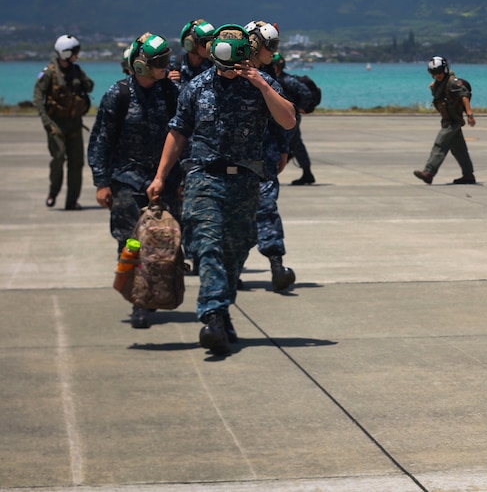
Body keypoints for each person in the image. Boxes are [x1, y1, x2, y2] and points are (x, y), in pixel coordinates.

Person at [148, 24, 296, 355]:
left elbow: (288, 120)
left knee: (236, 249)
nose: (230, 67)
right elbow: (178, 132)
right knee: (207, 243)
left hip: (244, 181)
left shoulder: (261, 83)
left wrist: (260, 83)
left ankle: (222, 308)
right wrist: (160, 177)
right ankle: (212, 316)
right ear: (213, 55)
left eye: (236, 59)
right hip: (204, 178)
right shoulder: (196, 88)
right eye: (223, 60)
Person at [88, 33, 181, 328]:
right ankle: (138, 300)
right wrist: (102, 183)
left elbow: (183, 136)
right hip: (127, 182)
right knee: (131, 242)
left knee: (163, 242)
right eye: (159, 63)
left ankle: (157, 294)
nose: (165, 67)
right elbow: (101, 140)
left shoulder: (171, 93)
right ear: (140, 66)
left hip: (162, 181)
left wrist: (181, 177)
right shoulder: (118, 95)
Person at [242, 21, 296, 291]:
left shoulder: (269, 82)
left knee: (267, 210)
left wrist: (284, 149)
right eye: (270, 46)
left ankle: (276, 265)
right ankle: (232, 270)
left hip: (263, 160)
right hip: (230, 163)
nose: (274, 52)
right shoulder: (221, 78)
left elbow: (282, 121)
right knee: (232, 217)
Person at [33, 34, 94, 209]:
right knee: (58, 158)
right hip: (56, 124)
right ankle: (54, 191)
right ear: (65, 53)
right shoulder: (48, 73)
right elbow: (38, 98)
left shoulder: (77, 71)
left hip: (74, 123)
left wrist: (82, 82)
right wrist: (46, 122)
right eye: (74, 52)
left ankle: (72, 201)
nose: (76, 56)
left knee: (76, 163)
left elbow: (89, 86)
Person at [413, 56, 476, 185]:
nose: (437, 75)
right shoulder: (438, 84)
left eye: (439, 72)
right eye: (434, 73)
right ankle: (468, 175)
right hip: (447, 120)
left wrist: (470, 114)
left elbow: (464, 96)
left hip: (453, 122)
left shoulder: (453, 82)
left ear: (445, 69)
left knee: (440, 144)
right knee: (459, 150)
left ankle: (429, 172)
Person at [270, 53, 318, 186]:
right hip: (287, 117)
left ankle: (274, 170)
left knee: (283, 143)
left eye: (274, 65)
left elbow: (305, 93)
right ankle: (307, 173)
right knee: (297, 145)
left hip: (290, 118)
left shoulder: (287, 80)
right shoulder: (275, 79)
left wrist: (301, 108)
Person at [168, 18, 215, 86]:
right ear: (192, 44)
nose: (209, 46)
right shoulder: (173, 64)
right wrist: (167, 82)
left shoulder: (214, 67)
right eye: (205, 42)